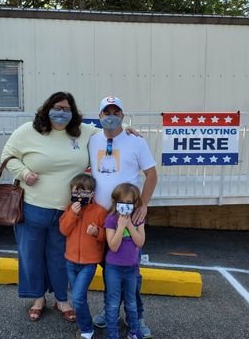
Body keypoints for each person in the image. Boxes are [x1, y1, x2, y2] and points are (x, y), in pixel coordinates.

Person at [1, 91, 100, 322]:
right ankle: (37, 298)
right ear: (47, 109)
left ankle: (61, 299)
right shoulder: (28, 131)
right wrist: (24, 172)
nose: (61, 112)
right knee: (31, 255)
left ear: (73, 112)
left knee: (60, 257)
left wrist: (129, 130)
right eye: (57, 107)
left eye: (67, 109)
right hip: (32, 206)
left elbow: (109, 129)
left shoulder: (83, 132)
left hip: (69, 211)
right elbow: (7, 156)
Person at [89, 96, 157, 338]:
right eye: (106, 112)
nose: (111, 115)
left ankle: (135, 316)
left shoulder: (135, 140)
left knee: (131, 271)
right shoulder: (92, 138)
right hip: (103, 219)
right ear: (99, 116)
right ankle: (111, 312)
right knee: (109, 267)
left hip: (127, 216)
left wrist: (144, 205)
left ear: (122, 114)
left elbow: (151, 174)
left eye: (116, 112)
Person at [59, 173, 107, 339]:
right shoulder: (69, 208)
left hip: (89, 263)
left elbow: (107, 236)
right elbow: (64, 230)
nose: (79, 196)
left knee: (77, 298)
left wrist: (97, 232)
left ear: (92, 194)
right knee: (79, 297)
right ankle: (85, 324)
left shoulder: (100, 211)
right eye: (75, 193)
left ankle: (86, 330)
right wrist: (72, 213)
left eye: (83, 193)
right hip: (70, 261)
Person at [105, 183, 146, 339]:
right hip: (114, 268)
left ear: (135, 203)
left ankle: (134, 332)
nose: (126, 206)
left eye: (130, 203)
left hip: (131, 268)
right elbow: (113, 246)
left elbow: (140, 242)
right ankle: (112, 334)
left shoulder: (137, 219)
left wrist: (129, 224)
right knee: (113, 303)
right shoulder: (111, 219)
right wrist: (121, 227)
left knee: (132, 303)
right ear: (116, 202)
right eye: (123, 202)